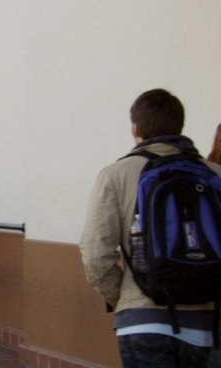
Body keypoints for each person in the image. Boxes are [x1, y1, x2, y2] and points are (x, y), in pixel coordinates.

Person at [80, 89, 221, 367]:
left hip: (141, 321)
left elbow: (96, 252)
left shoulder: (116, 174)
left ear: (136, 128)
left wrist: (123, 297)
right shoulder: (213, 174)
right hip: (203, 323)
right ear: (179, 125)